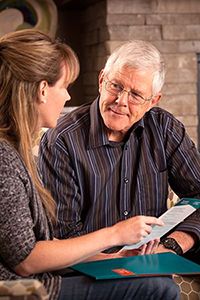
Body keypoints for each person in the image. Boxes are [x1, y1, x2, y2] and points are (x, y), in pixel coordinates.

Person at [0, 29, 180, 300]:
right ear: (42, 90)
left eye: (136, 95)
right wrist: (116, 234)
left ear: (153, 101)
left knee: (154, 282)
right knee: (158, 290)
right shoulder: (5, 160)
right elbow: (27, 260)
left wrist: (115, 256)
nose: (68, 98)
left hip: (33, 281)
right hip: (17, 291)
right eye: (65, 86)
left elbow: (41, 248)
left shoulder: (13, 150)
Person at [39, 39, 200, 263]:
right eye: (115, 86)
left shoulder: (165, 128)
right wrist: (117, 258)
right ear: (101, 80)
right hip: (92, 263)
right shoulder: (61, 141)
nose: (120, 101)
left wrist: (172, 245)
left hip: (156, 251)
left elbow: (198, 194)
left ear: (153, 100)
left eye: (135, 95)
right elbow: (63, 234)